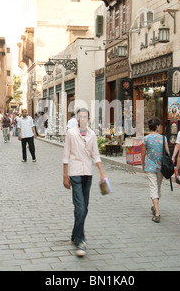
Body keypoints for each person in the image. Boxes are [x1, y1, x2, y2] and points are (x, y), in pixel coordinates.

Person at [63, 108, 107, 257]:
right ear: (77, 119)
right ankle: (81, 240)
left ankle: (75, 234)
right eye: (80, 117)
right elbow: (66, 155)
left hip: (88, 173)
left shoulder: (92, 134)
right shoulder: (71, 133)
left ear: (88, 119)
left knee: (83, 208)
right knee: (80, 207)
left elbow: (96, 154)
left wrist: (101, 171)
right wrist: (65, 175)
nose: (82, 119)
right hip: (75, 173)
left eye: (85, 117)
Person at [141, 118, 170, 223]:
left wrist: (143, 164)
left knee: (153, 188)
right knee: (157, 187)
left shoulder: (146, 138)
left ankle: (156, 213)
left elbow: (143, 153)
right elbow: (167, 153)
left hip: (149, 166)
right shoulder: (163, 138)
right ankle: (155, 209)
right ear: (157, 126)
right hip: (161, 167)